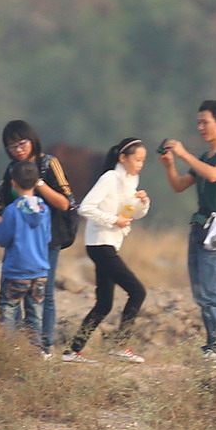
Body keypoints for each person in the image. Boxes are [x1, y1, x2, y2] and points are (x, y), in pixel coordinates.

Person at [159, 99, 216, 361]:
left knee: (213, 291)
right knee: (200, 291)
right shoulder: (203, 158)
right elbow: (179, 185)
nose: (200, 128)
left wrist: (184, 154)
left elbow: (214, 175)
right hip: (199, 226)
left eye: (204, 122)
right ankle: (213, 347)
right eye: (198, 122)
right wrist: (170, 165)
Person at [0, 120, 75, 357]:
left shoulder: (48, 163)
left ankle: (43, 347)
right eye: (11, 146)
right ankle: (21, 348)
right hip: (21, 241)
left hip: (49, 238)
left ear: (32, 140)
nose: (18, 149)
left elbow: (65, 203)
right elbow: (7, 203)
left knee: (43, 296)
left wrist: (37, 182)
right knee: (28, 298)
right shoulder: (11, 169)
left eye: (21, 143)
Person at [62, 138, 151, 364]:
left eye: (143, 160)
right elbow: (86, 207)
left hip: (111, 244)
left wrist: (143, 203)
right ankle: (120, 345)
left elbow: (132, 214)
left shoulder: (132, 181)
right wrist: (113, 220)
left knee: (104, 303)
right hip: (100, 244)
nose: (141, 164)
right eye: (137, 159)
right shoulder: (110, 178)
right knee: (137, 291)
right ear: (123, 158)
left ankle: (73, 351)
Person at [0, 160, 52, 353]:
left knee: (9, 311)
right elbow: (48, 237)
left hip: (17, 270)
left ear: (13, 183)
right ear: (36, 183)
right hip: (40, 271)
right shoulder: (45, 210)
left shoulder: (12, 210)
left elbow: (3, 238)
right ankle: (35, 355)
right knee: (35, 317)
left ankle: (9, 353)